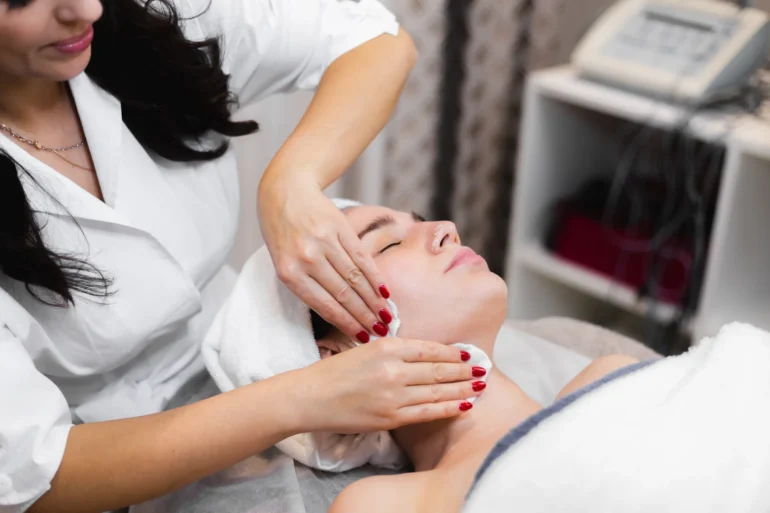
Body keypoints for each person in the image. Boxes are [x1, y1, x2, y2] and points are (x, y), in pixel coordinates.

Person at [0, 2, 482, 512]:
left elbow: (376, 37)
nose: (85, 8)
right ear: (332, 352)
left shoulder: (149, 19)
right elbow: (38, 471)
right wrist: (301, 398)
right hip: (119, 457)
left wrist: (291, 181)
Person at [305, 204, 640, 513]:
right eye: (389, 244)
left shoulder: (614, 385)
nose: (446, 228)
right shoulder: (384, 505)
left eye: (421, 221)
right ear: (337, 355)